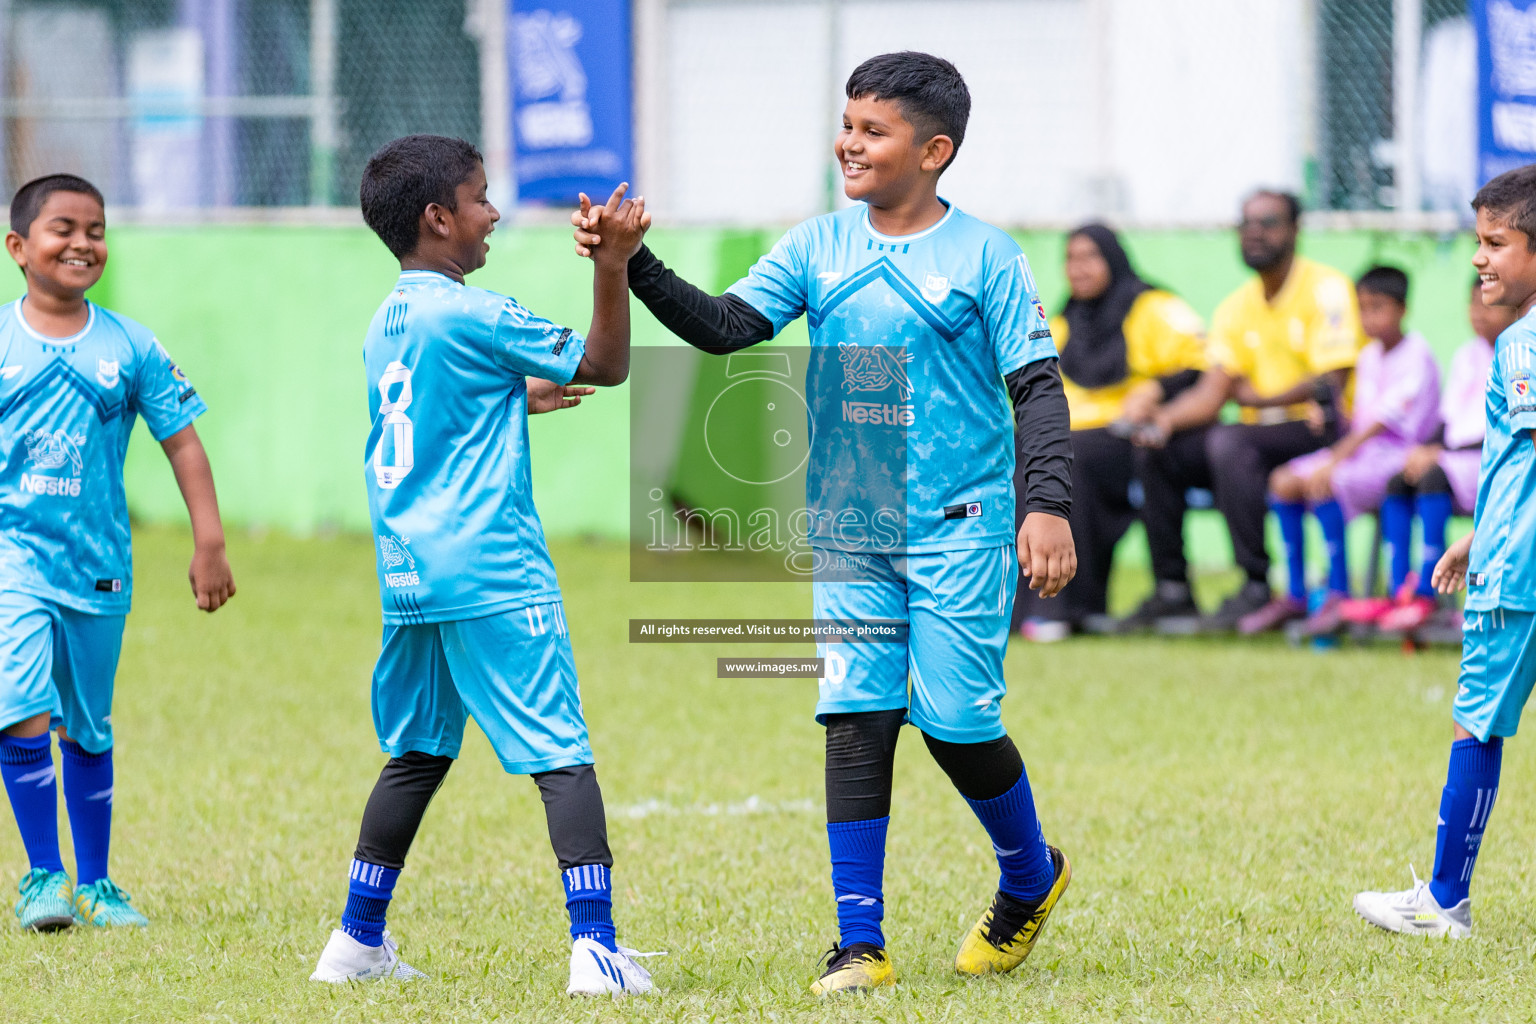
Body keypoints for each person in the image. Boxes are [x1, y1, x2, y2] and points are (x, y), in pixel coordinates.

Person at [574, 52, 1075, 993]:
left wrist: (1045, 506)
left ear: (935, 150)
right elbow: (726, 328)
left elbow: (1037, 391)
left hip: (963, 522)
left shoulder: (987, 258)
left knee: (957, 722)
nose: (848, 142)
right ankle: (861, 945)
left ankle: (1029, 878)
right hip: (851, 523)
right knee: (854, 718)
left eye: (872, 130)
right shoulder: (816, 247)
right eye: (846, 124)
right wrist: (632, 261)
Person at [308, 136, 656, 995]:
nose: (493, 214)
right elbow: (606, 364)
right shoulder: (472, 311)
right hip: (492, 566)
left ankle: (356, 941)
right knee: (559, 751)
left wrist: (517, 395)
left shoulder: (386, 321)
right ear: (438, 218)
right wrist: (614, 264)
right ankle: (596, 950)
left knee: (419, 750)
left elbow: (432, 414)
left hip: (410, 571)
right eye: (481, 198)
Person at [0, 174, 235, 931]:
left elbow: (184, 444)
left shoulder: (130, 345)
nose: (81, 243)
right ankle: (43, 876)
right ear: (17, 248)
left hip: (98, 569)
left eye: (95, 230)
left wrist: (210, 543)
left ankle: (97, 885)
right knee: (20, 705)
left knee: (87, 727)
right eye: (61, 228)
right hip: (14, 561)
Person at [1354, 163, 1536, 939]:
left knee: (1476, 723)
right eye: (1477, 241)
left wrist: (1499, 545)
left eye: (1496, 242)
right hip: (1506, 548)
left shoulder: (1523, 345)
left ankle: (1443, 901)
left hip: (1519, 576)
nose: (1479, 258)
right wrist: (1477, 531)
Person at [1117, 190, 1365, 632]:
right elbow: (1213, 394)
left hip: (1318, 429)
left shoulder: (1326, 288)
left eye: (1268, 222)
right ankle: (1173, 588)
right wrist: (1163, 420)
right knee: (1160, 448)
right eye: (1246, 223)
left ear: (1295, 229)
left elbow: (1332, 382)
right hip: (1254, 438)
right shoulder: (1236, 306)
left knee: (1228, 441)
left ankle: (1255, 584)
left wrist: (1253, 399)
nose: (1255, 233)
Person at [1014, 223, 1205, 641]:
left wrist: (1156, 390)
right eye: (1070, 259)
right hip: (1073, 434)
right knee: (1015, 454)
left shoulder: (1152, 306)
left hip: (1126, 437)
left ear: (1113, 259)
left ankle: (1066, 605)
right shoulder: (1062, 321)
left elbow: (1199, 365)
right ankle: (1019, 607)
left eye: (1089, 257)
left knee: (1070, 459)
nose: (1078, 269)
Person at [1245, 266, 1441, 636]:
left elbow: (1378, 426)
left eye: (1378, 307)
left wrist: (1334, 459)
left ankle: (1339, 593)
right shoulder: (1368, 357)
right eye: (1362, 308)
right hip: (1361, 454)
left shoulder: (1418, 355)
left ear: (1402, 308)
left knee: (1326, 480)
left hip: (1399, 458)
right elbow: (1359, 420)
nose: (1368, 318)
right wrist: (1330, 419)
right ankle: (1297, 593)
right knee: (1283, 481)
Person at [1353, 278, 1517, 636]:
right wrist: (1424, 449)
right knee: (1400, 478)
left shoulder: (1518, 353)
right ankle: (1400, 592)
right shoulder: (1466, 355)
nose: (1478, 314)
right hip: (1456, 458)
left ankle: (1429, 591)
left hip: (1492, 463)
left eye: (1488, 305)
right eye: (1473, 305)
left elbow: (1507, 432)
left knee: (1433, 477)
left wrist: (1439, 454)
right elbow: (1447, 420)